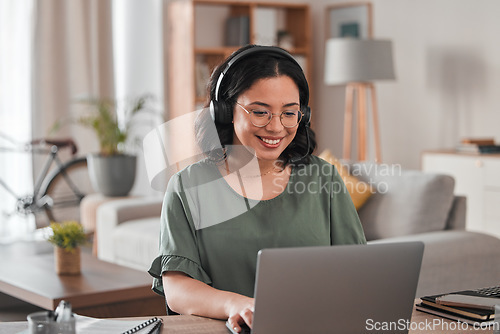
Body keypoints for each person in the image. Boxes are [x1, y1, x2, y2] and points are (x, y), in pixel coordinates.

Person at [148, 45, 366, 332]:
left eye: (289, 113)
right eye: (260, 112)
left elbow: (359, 272)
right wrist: (235, 305)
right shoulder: (187, 187)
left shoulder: (323, 177)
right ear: (224, 111)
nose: (276, 127)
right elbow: (177, 289)